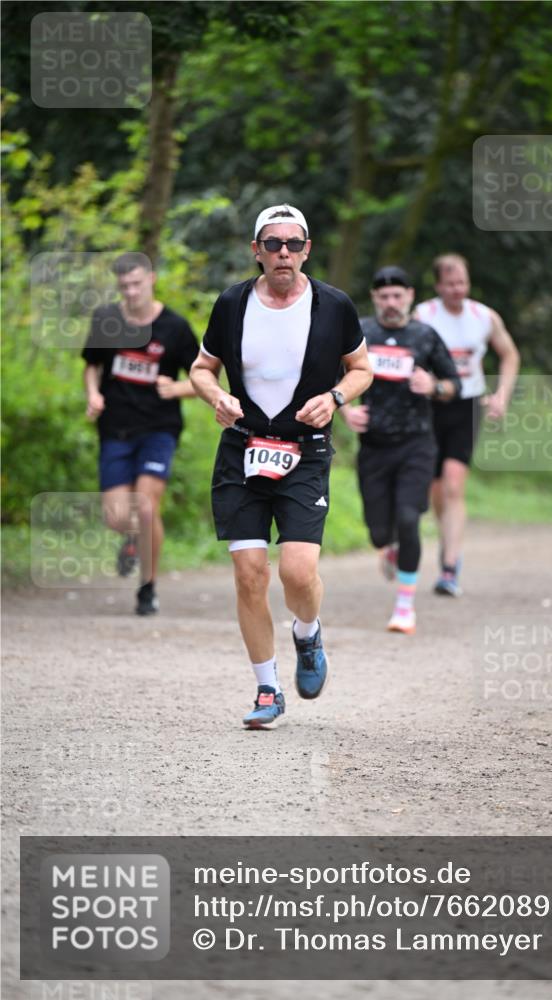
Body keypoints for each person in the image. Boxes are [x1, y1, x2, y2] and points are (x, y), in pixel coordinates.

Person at [189, 204, 372, 729]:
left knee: (296, 572)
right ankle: (268, 689)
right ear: (257, 251)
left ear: (308, 249)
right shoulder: (232, 303)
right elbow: (203, 369)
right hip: (242, 449)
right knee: (249, 575)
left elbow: (362, 369)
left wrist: (335, 397)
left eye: (294, 244)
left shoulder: (334, 306)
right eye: (273, 244)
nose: (284, 253)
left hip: (305, 451)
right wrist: (214, 398)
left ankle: (308, 633)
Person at [341, 266, 460, 634]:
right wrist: (345, 409)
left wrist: (434, 386)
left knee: (409, 518)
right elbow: (332, 376)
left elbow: (455, 384)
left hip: (416, 444)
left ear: (409, 296)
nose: (391, 303)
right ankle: (389, 546)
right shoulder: (360, 333)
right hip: (373, 446)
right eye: (384, 297)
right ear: (375, 299)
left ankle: (404, 606)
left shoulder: (425, 336)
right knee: (378, 531)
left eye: (398, 296)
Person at [82, 251, 199, 615]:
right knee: (117, 517)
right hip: (115, 427)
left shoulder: (175, 328)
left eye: (136, 284)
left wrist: (177, 389)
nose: (131, 292)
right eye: (124, 286)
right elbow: (92, 365)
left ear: (151, 279)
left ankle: (147, 587)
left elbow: (203, 376)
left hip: (158, 428)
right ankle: (132, 539)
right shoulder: (106, 319)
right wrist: (93, 394)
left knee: (147, 508)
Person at [414, 253, 520, 596]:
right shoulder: (424, 315)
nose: (457, 289)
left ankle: (449, 566)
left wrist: (501, 395)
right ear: (438, 285)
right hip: (430, 405)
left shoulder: (484, 317)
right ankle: (447, 542)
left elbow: (509, 354)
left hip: (467, 405)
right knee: (435, 491)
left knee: (455, 485)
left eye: (462, 282)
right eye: (450, 284)